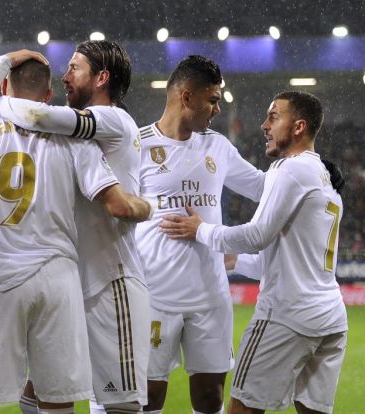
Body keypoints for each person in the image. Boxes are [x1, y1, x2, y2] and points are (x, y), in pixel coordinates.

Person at [0, 56, 151, 414]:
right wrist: (147, 206)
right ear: (47, 95)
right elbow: (112, 199)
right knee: (56, 400)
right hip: (57, 279)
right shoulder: (75, 140)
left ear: (2, 89)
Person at [0, 40, 150, 414]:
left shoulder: (112, 120)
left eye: (74, 68)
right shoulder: (81, 138)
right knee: (41, 393)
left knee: (121, 406)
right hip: (74, 285)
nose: (64, 76)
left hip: (112, 284)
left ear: (102, 78)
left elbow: (41, 117)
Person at [161, 91, 347, 414]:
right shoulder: (325, 179)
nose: (263, 125)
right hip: (330, 318)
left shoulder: (290, 170)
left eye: (274, 117)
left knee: (242, 408)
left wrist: (200, 230)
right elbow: (281, 261)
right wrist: (236, 260)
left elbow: (256, 235)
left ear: (299, 126)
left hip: (287, 315)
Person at [132, 55, 265, 414]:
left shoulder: (217, 147)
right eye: (213, 99)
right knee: (148, 399)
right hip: (154, 293)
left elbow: (261, 187)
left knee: (209, 399)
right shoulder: (137, 145)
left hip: (210, 295)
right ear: (186, 97)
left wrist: (304, 170)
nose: (217, 108)